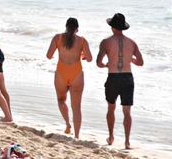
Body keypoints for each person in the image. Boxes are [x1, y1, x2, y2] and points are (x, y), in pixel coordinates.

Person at [96, 13, 142, 150]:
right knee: (127, 111)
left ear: (112, 27)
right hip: (127, 77)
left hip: (113, 77)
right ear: (122, 27)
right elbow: (140, 62)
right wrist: (130, 59)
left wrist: (106, 65)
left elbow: (98, 62)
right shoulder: (132, 42)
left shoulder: (106, 42)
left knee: (111, 107)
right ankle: (127, 142)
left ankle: (111, 137)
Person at [47, 17, 91, 137]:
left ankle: (67, 124)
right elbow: (90, 58)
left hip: (61, 73)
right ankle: (76, 136)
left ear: (66, 26)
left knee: (61, 101)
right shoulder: (82, 40)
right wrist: (84, 56)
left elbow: (48, 55)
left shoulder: (58, 38)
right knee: (76, 107)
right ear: (77, 29)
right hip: (76, 74)